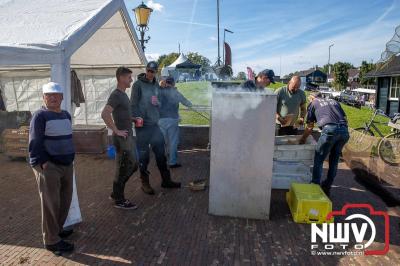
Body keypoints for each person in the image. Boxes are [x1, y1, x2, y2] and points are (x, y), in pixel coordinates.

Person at [29, 82, 75, 254]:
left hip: (66, 164)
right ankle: (51, 240)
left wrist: (71, 158)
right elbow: (34, 141)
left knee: (65, 199)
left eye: (56, 95)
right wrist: (41, 161)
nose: (53, 98)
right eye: (49, 95)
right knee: (50, 203)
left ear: (62, 97)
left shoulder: (65, 115)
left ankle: (57, 230)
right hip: (49, 166)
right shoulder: (40, 116)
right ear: (43, 97)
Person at [130, 61, 181, 195]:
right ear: (146, 70)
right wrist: (137, 119)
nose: (151, 73)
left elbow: (159, 104)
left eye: (153, 71)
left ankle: (166, 180)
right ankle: (144, 183)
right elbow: (133, 104)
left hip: (154, 125)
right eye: (149, 71)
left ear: (156, 72)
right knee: (144, 156)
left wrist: (157, 103)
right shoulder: (137, 85)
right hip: (142, 126)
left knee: (160, 154)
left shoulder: (156, 85)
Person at [299, 91, 350, 196]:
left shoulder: (314, 103)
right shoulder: (334, 101)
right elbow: (345, 119)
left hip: (329, 130)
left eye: (310, 99)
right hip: (344, 131)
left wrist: (302, 139)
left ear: (312, 97)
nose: (310, 101)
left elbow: (309, 126)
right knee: (334, 160)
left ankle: (315, 186)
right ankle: (327, 186)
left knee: (319, 158)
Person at [101, 67, 138, 210]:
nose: (131, 80)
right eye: (129, 77)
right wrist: (115, 130)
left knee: (133, 165)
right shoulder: (116, 95)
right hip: (121, 139)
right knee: (123, 168)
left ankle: (116, 192)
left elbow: (121, 114)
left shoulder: (123, 94)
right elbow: (105, 114)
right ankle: (119, 199)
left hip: (127, 136)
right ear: (121, 78)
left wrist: (133, 119)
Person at [158, 76, 193, 168]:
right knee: (173, 142)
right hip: (172, 120)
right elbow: (186, 102)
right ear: (173, 83)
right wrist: (191, 105)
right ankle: (172, 162)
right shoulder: (175, 92)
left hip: (160, 120)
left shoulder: (160, 92)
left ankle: (161, 161)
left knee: (162, 142)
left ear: (166, 83)